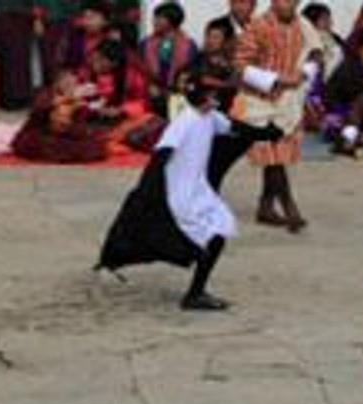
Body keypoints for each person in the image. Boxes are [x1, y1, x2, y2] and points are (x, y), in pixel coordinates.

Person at [97, 68, 275, 310]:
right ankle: (195, 293)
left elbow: (235, 128)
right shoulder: (184, 122)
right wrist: (148, 191)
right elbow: (161, 154)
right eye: (212, 95)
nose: (217, 99)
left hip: (199, 191)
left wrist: (267, 133)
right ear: (202, 98)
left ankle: (196, 290)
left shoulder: (211, 117)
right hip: (181, 195)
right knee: (208, 239)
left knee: (217, 233)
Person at [235, 0, 307, 232]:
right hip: (260, 99)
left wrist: (304, 74)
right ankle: (288, 204)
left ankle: (266, 205)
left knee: (279, 153)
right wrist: (276, 80)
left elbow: (315, 53)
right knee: (272, 152)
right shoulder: (257, 26)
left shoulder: (303, 26)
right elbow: (241, 65)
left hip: (289, 100)